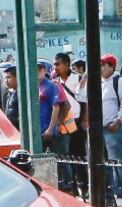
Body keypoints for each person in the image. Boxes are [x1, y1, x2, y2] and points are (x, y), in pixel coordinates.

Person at [37, 60, 75, 192]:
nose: (38, 71)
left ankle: (69, 188)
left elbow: (57, 108)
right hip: (40, 131)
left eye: (40, 69)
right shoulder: (33, 87)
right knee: (44, 162)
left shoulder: (52, 86)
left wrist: (52, 128)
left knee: (61, 160)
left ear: (45, 70)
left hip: (53, 131)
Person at [54, 52, 87, 192]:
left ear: (67, 65)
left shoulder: (77, 78)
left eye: (58, 64)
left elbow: (85, 101)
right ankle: (71, 185)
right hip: (64, 122)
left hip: (77, 120)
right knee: (66, 154)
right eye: (54, 64)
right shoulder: (55, 82)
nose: (56, 67)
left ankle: (84, 185)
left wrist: (85, 119)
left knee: (79, 154)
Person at [100, 54, 122, 205]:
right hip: (101, 127)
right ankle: (109, 192)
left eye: (103, 65)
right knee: (104, 161)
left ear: (110, 66)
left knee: (116, 159)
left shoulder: (119, 81)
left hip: (113, 126)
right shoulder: (99, 82)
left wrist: (118, 121)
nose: (100, 68)